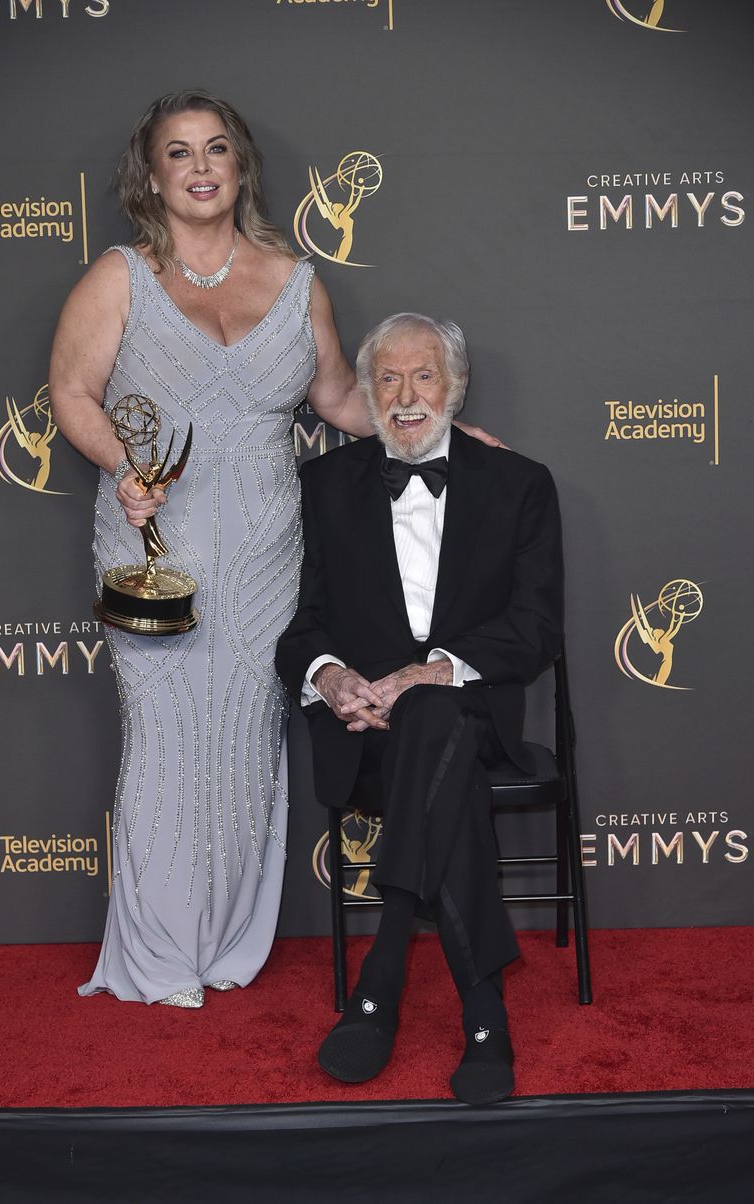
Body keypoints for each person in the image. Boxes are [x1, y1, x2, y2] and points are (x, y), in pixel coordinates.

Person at [49, 90, 501, 1008]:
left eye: (216, 148)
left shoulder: (297, 281)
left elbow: (338, 401)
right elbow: (70, 395)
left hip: (265, 550)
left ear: (241, 165)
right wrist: (124, 469)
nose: (201, 166)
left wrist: (446, 430)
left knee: (245, 744)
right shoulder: (119, 278)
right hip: (155, 545)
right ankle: (159, 954)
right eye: (179, 153)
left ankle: (224, 942)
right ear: (153, 174)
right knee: (169, 739)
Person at [275, 313, 563, 1103]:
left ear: (455, 386)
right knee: (434, 742)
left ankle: (384, 971)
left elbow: (535, 630)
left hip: (471, 721)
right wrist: (332, 679)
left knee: (437, 714)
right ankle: (483, 1013)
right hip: (364, 733)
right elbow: (301, 625)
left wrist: (429, 674)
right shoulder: (323, 489)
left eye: (423, 376)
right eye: (388, 380)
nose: (406, 397)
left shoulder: (520, 484)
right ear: (366, 394)